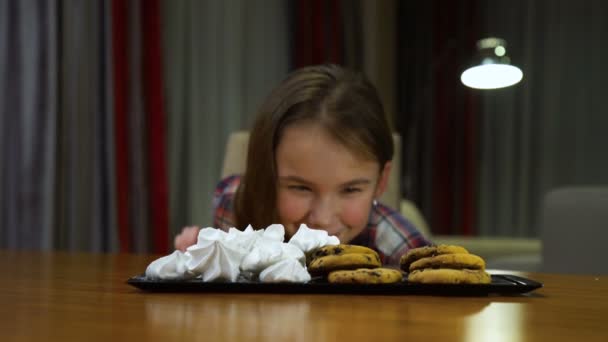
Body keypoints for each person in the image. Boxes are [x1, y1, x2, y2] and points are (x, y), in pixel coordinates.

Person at [174, 64, 429, 265]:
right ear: (266, 173)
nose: (323, 218)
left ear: (381, 181)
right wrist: (202, 261)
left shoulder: (396, 245)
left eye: (351, 190)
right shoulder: (236, 206)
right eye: (300, 188)